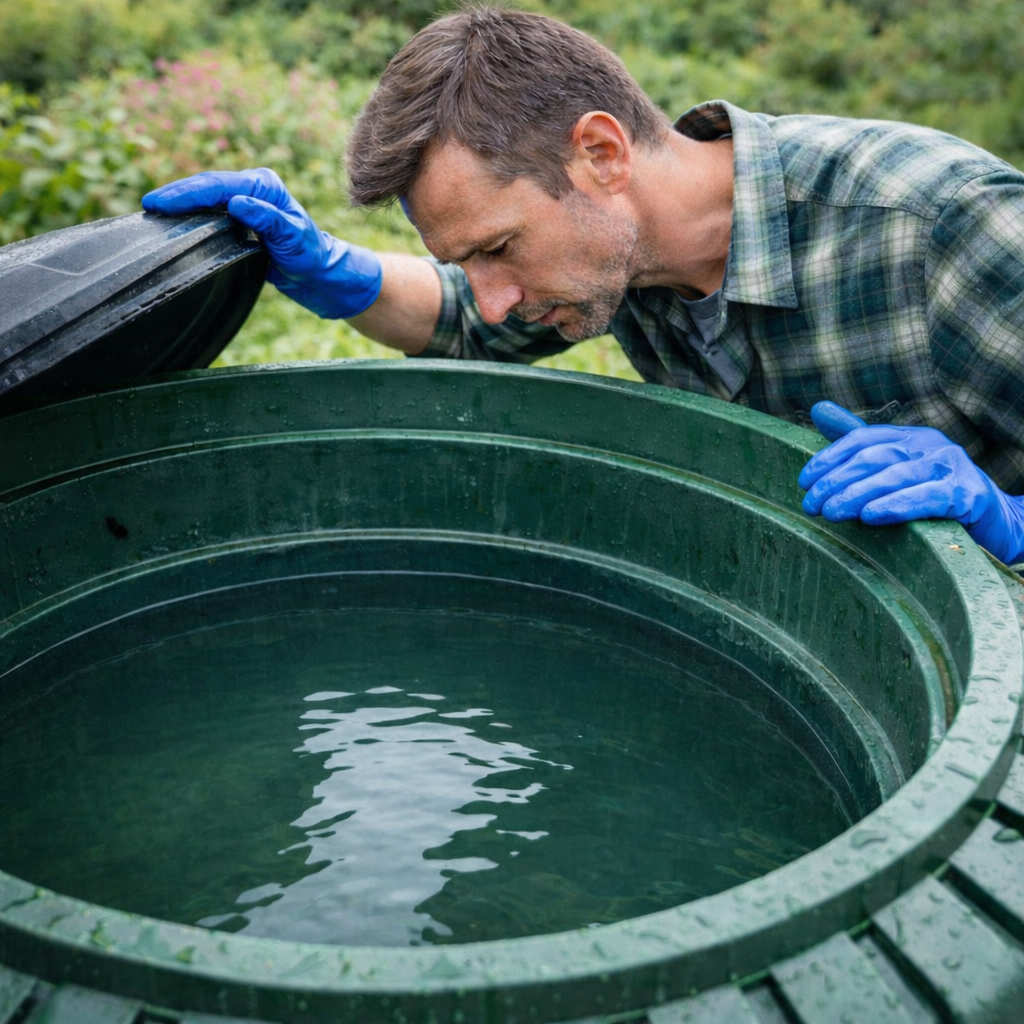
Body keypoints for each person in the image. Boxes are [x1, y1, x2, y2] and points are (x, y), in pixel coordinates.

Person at [141, 7, 1024, 566]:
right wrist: (328, 268)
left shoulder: (944, 224)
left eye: (499, 247)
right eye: (470, 262)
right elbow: (463, 322)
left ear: (600, 155)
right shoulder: (620, 255)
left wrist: (1005, 516)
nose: (494, 297)